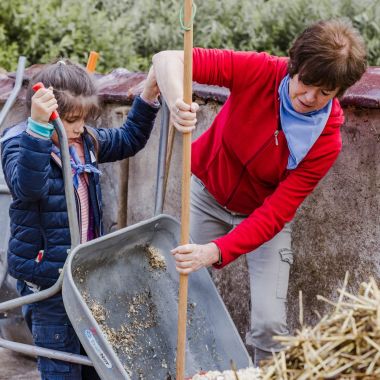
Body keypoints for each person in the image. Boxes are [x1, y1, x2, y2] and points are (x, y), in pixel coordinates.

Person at [152, 19, 367, 365]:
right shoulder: (260, 71)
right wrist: (178, 101)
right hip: (207, 196)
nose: (310, 98)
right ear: (293, 68)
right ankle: (182, 369)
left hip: (264, 219)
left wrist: (217, 251)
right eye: (306, 84)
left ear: (339, 92)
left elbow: (277, 212)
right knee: (175, 294)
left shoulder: (326, 140)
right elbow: (168, 59)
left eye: (325, 93)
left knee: (270, 325)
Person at [0, 59, 161, 379]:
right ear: (47, 113)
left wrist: (148, 95)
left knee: (94, 363)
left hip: (84, 277)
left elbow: (129, 139)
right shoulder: (18, 141)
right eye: (71, 120)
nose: (79, 127)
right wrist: (39, 128)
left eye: (85, 119)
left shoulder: (84, 141)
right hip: (49, 281)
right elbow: (28, 188)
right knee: (59, 365)